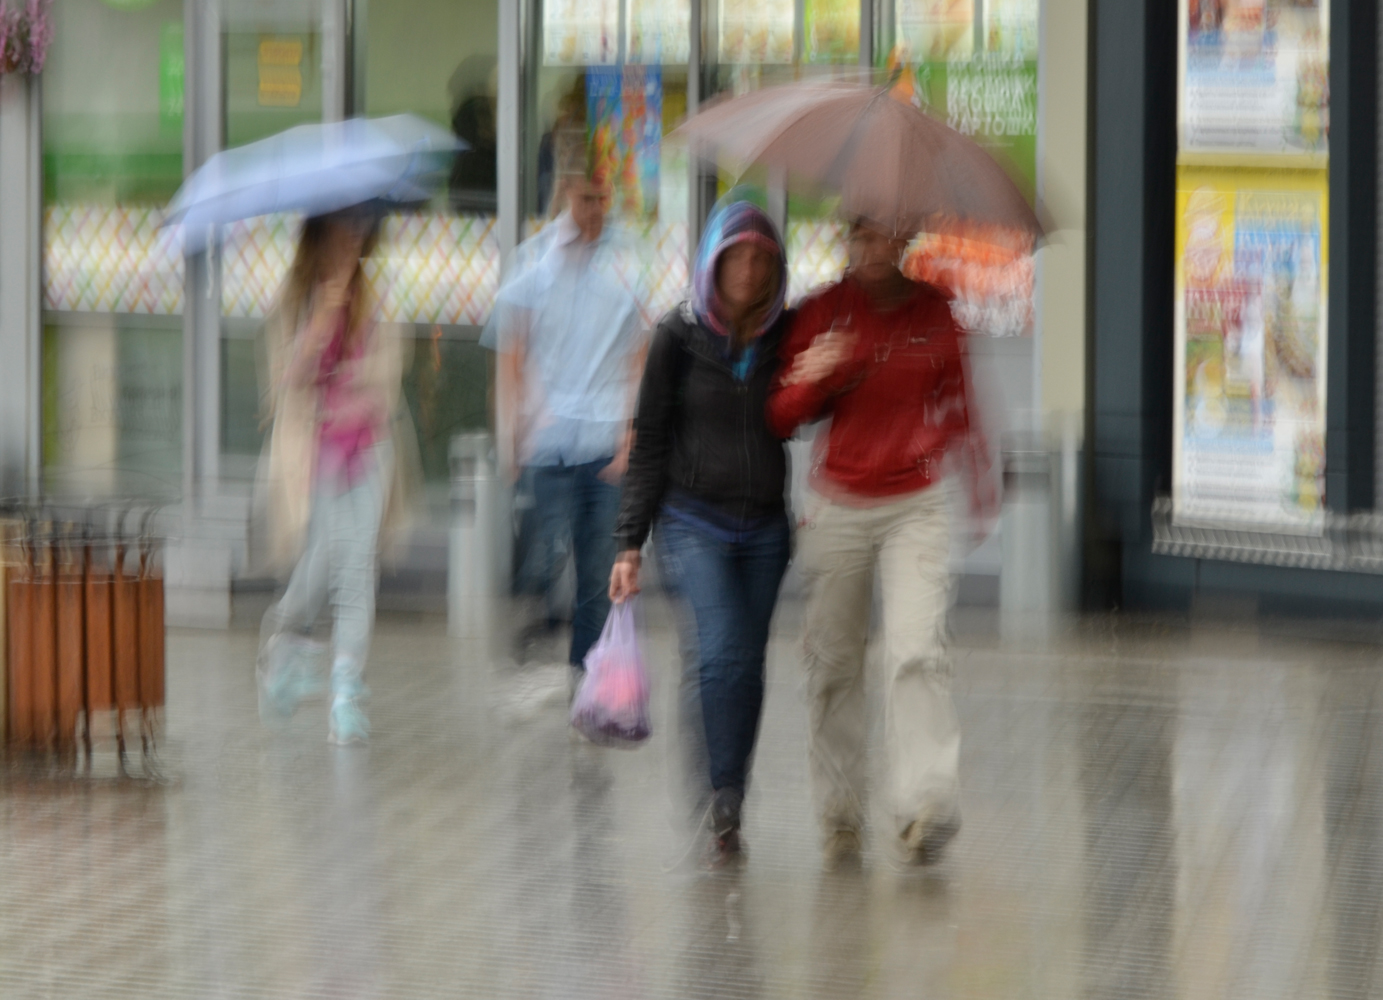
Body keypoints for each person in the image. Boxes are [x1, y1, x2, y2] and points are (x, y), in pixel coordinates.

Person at [766, 216, 996, 870]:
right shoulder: (821, 312)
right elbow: (780, 415)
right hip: (837, 505)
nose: (872, 250)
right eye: (860, 237)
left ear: (907, 241)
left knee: (914, 651)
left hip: (914, 505)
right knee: (834, 665)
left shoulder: (935, 312)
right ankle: (839, 816)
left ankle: (925, 806)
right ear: (845, 239)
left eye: (885, 237)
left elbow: (958, 402)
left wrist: (976, 474)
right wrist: (817, 376)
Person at [609, 200, 792, 863]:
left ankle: (727, 794)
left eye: (761, 258)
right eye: (735, 255)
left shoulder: (784, 335)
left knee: (741, 662)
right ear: (711, 263)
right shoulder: (676, 336)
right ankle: (718, 792)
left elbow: (804, 406)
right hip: (692, 521)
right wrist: (629, 542)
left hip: (766, 529)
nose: (747, 268)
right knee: (717, 651)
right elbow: (648, 441)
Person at [255, 204, 418, 745]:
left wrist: (362, 392)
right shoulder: (294, 298)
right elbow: (286, 381)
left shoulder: (374, 297)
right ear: (319, 232)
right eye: (344, 228)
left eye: (360, 230)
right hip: (315, 451)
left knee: (357, 566)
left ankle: (347, 686)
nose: (354, 239)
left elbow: (390, 372)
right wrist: (322, 317)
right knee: (323, 560)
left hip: (370, 448)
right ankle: (285, 632)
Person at [486, 143, 646, 684]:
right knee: (543, 558)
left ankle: (587, 678)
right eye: (585, 198)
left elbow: (638, 356)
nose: (596, 209)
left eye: (603, 198)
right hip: (549, 440)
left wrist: (630, 436)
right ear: (563, 196)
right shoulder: (534, 262)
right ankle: (535, 626)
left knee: (599, 570)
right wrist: (511, 432)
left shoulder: (625, 263)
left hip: (602, 441)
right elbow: (511, 352)